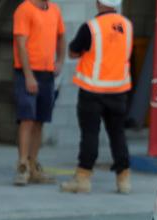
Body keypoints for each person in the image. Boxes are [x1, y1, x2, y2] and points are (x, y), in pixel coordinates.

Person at [60, 0, 133, 194]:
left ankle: (83, 179)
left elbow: (74, 51)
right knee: (117, 134)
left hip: (92, 91)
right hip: (118, 91)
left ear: (99, 3)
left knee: (90, 134)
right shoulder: (127, 25)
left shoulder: (91, 27)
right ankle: (123, 179)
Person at [12, 0, 66, 186]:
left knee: (40, 121)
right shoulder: (24, 10)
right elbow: (21, 44)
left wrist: (60, 60)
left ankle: (33, 163)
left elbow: (61, 36)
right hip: (27, 72)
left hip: (46, 73)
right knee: (27, 118)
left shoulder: (54, 10)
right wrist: (28, 76)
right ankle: (22, 165)